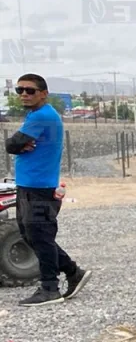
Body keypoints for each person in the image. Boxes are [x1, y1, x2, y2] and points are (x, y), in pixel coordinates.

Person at [4, 74, 90, 307]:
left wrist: (18, 146)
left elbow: (11, 145)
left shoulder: (42, 116)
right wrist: (18, 145)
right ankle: (74, 272)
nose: (24, 94)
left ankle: (50, 288)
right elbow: (14, 145)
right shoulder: (34, 114)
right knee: (29, 234)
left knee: (40, 237)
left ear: (44, 93)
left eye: (30, 91)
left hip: (40, 188)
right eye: (20, 90)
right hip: (28, 185)